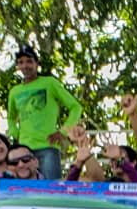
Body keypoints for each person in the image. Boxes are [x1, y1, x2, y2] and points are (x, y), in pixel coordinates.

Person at [7, 45, 83, 181]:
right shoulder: (14, 91)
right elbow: (11, 117)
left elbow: (75, 107)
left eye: (29, 61)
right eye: (21, 62)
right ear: (18, 66)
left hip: (47, 148)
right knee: (25, 192)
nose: (25, 66)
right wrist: (15, 134)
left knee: (51, 191)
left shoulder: (49, 83)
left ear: (37, 64)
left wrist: (63, 132)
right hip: (24, 152)